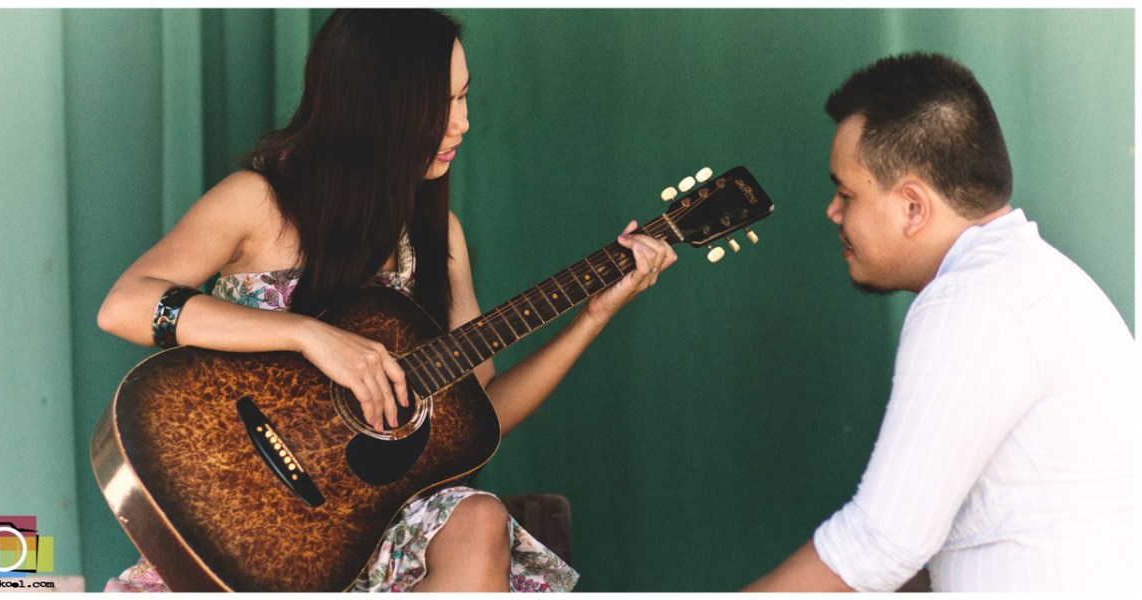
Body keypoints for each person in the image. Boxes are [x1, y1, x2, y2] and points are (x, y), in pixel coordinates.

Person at [97, 9, 676, 593]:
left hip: (374, 533)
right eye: (443, 104)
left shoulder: (436, 235)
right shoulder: (258, 202)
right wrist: (310, 335)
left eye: (464, 98)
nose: (464, 123)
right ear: (377, 105)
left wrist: (592, 317)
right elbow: (124, 304)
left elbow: (482, 415)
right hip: (243, 518)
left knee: (479, 518)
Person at [743, 52, 1134, 592]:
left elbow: (879, 545)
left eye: (847, 193)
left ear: (912, 207)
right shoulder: (1029, 278)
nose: (834, 212)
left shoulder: (972, 298)